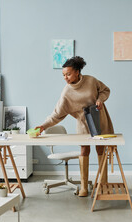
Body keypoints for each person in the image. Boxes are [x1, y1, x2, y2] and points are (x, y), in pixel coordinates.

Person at [35, 56, 114, 197]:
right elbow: (57, 114)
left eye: (68, 74)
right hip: (83, 124)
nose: (65, 77)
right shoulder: (66, 92)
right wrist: (43, 126)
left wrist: (100, 99)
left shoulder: (91, 80)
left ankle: (103, 184)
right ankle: (84, 187)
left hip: (100, 119)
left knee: (101, 149)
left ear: (77, 72)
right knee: (84, 150)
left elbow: (105, 90)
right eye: (63, 75)